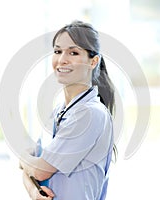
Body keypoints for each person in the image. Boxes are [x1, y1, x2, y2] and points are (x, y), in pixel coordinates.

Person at [19, 20, 116, 200]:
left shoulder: (90, 114)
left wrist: (23, 159)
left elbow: (39, 171)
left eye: (73, 52)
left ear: (93, 61)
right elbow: (32, 168)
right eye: (57, 51)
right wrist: (34, 191)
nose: (62, 59)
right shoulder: (59, 111)